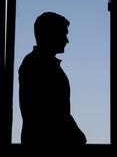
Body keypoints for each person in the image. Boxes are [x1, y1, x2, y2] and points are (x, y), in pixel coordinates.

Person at [19, 12, 87, 152]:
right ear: (50, 34)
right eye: (63, 34)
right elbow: (54, 112)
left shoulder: (35, 63)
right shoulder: (37, 64)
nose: (67, 40)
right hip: (48, 145)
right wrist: (76, 135)